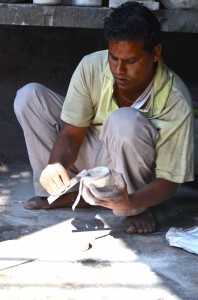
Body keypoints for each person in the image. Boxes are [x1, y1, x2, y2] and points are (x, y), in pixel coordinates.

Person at [14, 1, 194, 234]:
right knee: (29, 96)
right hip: (90, 153)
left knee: (124, 120)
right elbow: (71, 132)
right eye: (113, 58)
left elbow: (170, 181)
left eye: (130, 61)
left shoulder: (176, 99)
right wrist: (55, 164)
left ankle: (132, 208)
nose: (119, 70)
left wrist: (134, 201)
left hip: (131, 171)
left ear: (155, 53)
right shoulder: (91, 66)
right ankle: (63, 192)